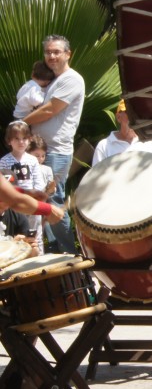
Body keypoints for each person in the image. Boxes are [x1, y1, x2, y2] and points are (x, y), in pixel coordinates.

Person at [22, 34, 85, 252]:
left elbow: (51, 109)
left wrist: (20, 123)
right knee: (40, 200)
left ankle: (70, 254)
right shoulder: (50, 80)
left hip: (56, 152)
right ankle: (51, 251)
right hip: (37, 151)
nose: (51, 56)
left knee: (54, 202)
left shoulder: (72, 79)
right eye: (48, 52)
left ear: (68, 54)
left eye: (56, 51)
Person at [1, 121, 48, 254]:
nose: (21, 142)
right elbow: (4, 185)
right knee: (18, 235)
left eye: (24, 138)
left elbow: (39, 182)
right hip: (14, 205)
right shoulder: (4, 161)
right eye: (17, 139)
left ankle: (39, 260)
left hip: (32, 202)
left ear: (29, 140)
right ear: (9, 141)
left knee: (36, 235)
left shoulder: (32, 160)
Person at [92, 99, 152, 165]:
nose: (133, 116)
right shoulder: (104, 146)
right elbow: (96, 176)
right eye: (128, 112)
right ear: (118, 117)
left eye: (136, 112)